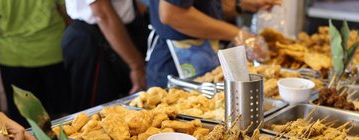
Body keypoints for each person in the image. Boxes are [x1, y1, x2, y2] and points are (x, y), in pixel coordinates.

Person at [146, 0, 282, 88]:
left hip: (207, 57)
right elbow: (173, 14)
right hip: (176, 65)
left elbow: (202, 6)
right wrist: (238, 35)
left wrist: (240, 5)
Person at [62, 0, 149, 113]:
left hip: (118, 32)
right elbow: (102, 13)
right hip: (98, 37)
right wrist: (136, 66)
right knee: (98, 114)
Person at [0, 0, 72, 128]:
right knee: (63, 118)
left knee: (23, 121)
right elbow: (67, 14)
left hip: (14, 57)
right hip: (53, 52)